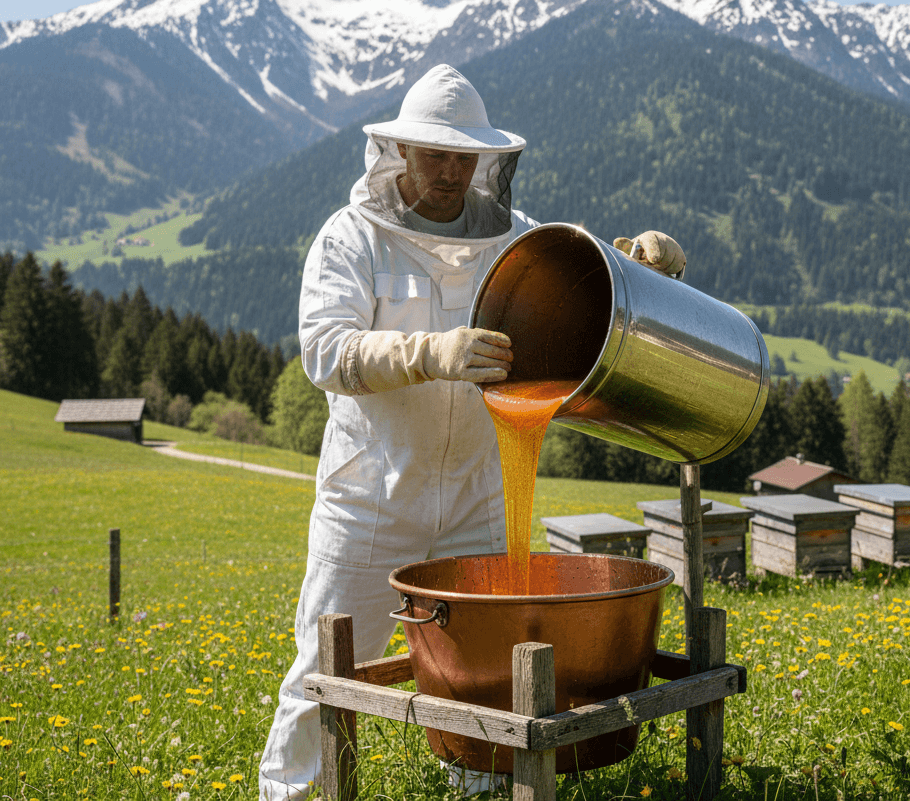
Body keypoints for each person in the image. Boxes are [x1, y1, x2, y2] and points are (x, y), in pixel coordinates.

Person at [258, 64, 685, 800]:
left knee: (486, 674)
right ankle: (294, 794)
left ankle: (482, 790)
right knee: (326, 667)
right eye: (436, 155)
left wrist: (644, 265)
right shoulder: (351, 238)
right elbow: (324, 351)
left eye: (465, 158)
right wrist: (430, 353)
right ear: (400, 152)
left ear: (488, 161)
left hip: (479, 496)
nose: (451, 172)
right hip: (371, 494)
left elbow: (581, 281)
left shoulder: (512, 238)